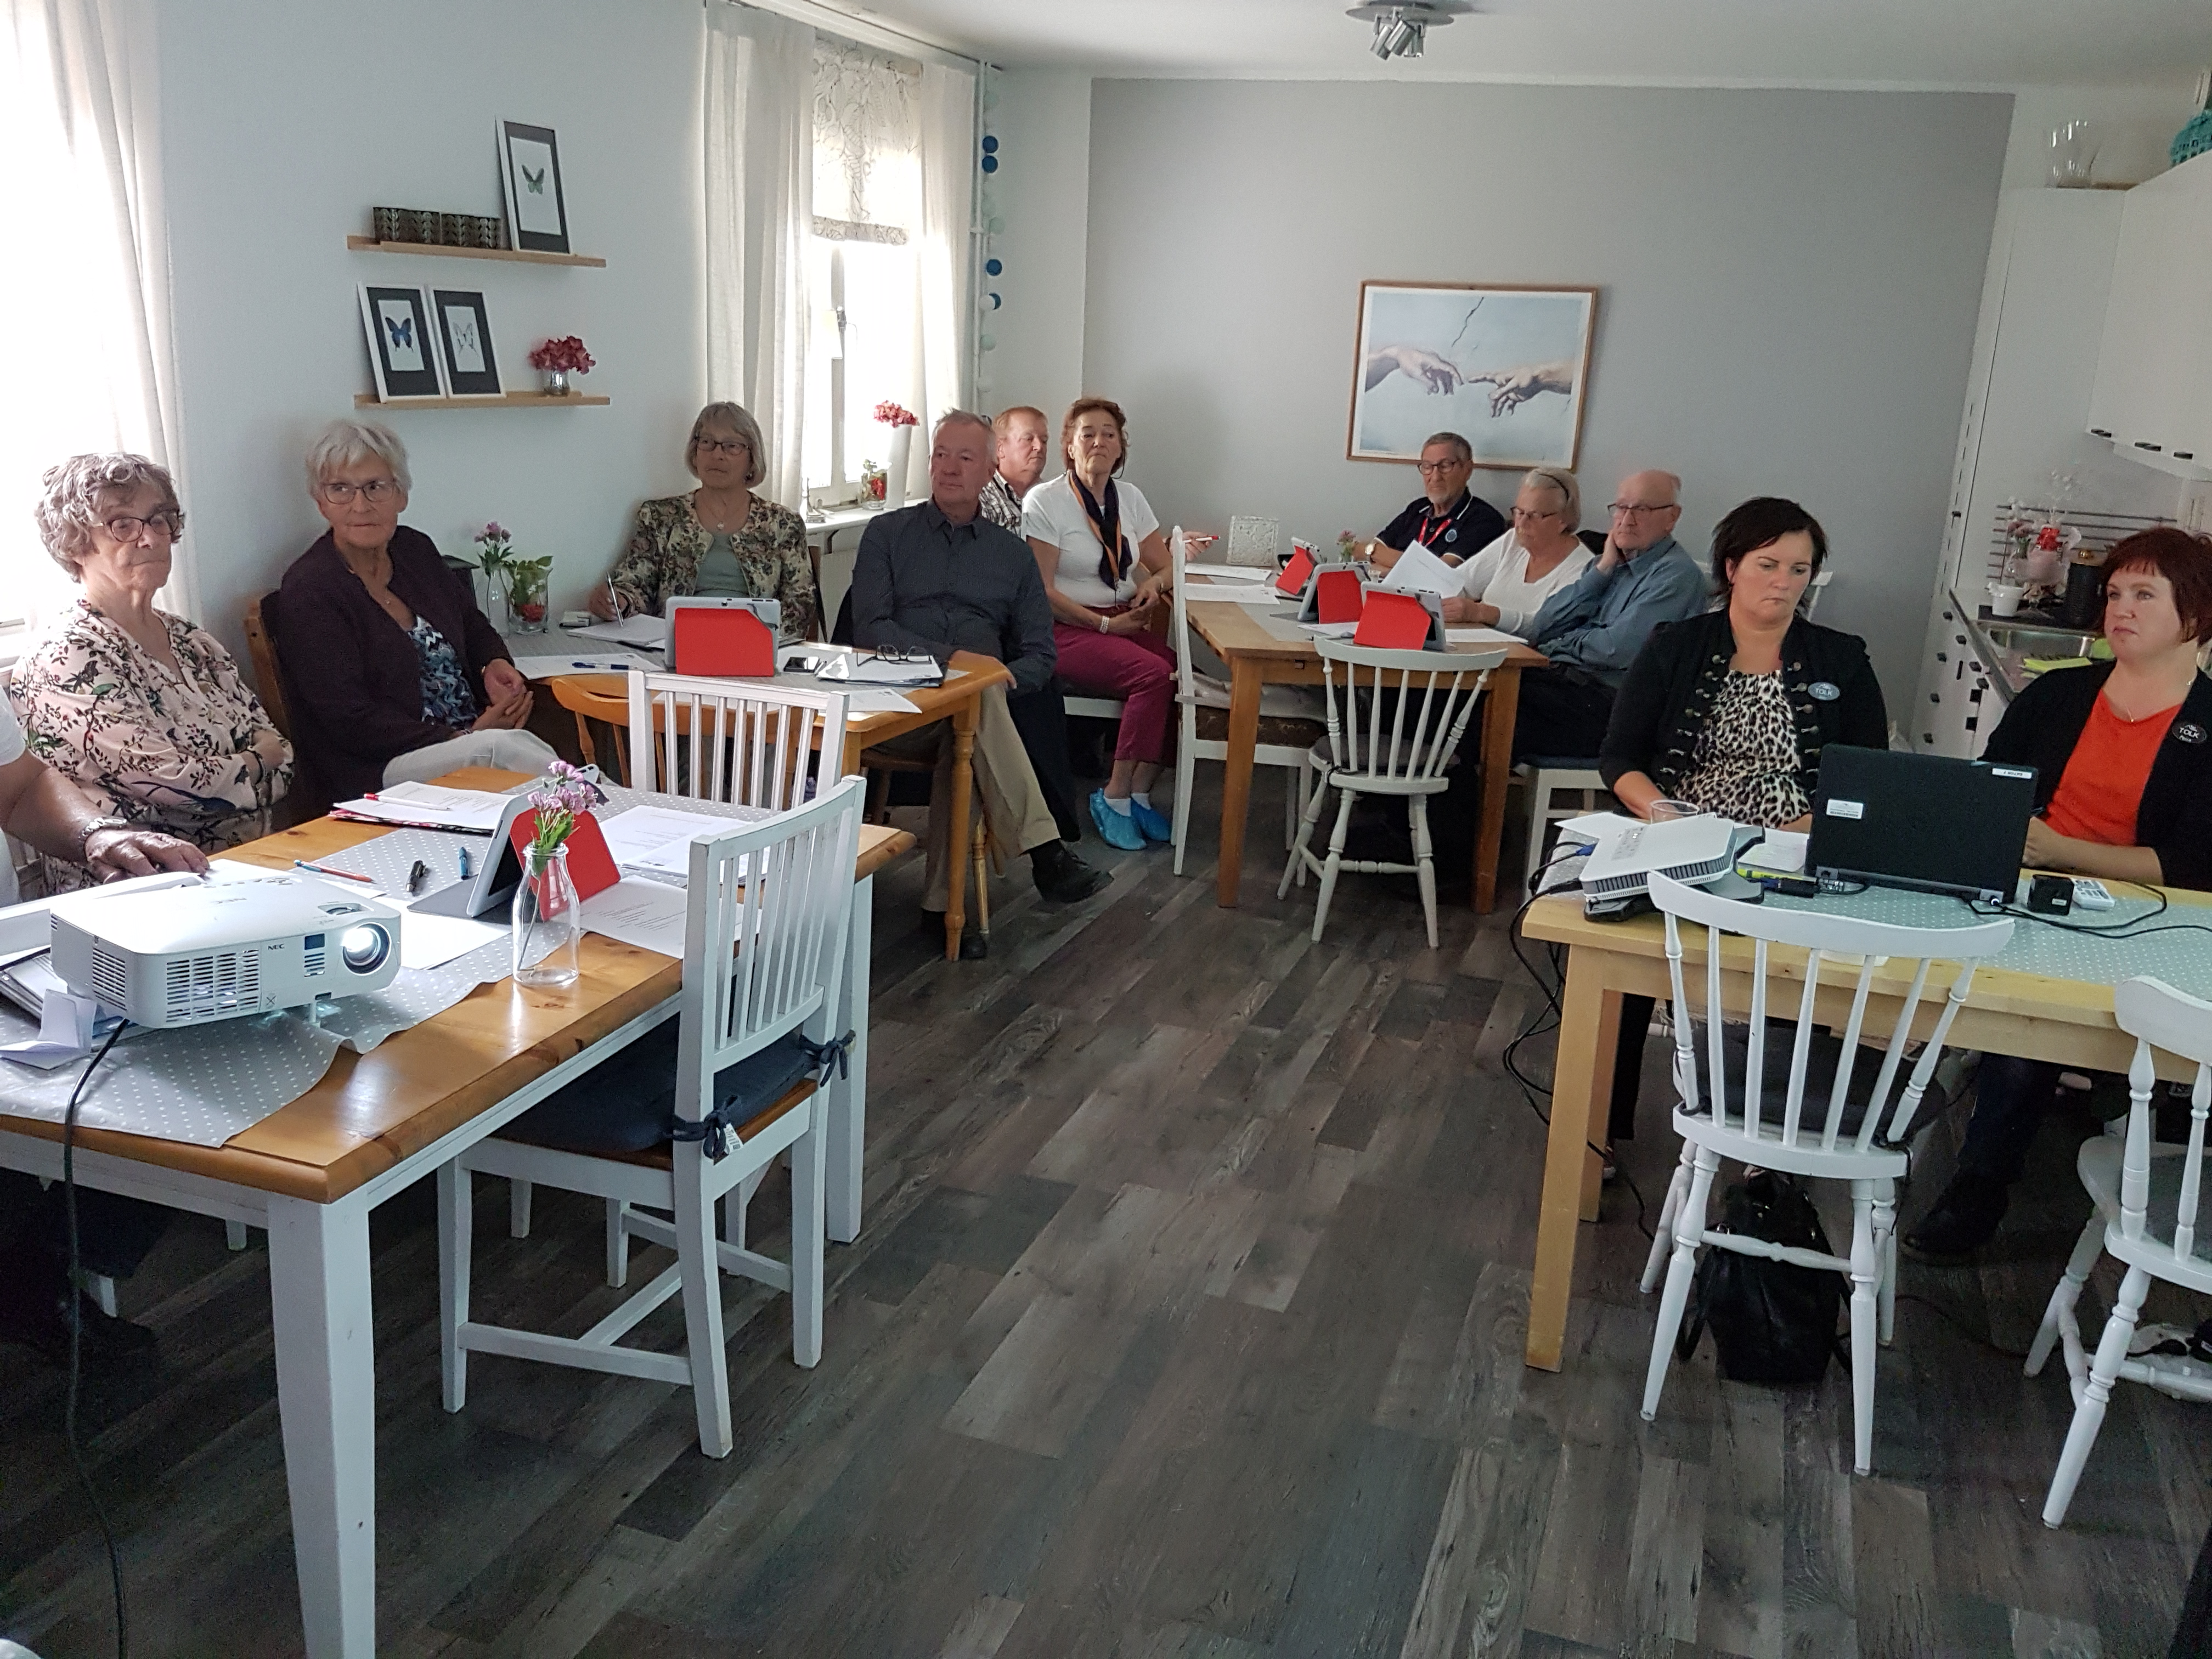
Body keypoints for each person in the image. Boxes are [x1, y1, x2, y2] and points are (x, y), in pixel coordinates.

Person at [1907, 526, 2212, 1261]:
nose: (2120, 608)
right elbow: (1989, 789)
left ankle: (1988, 1179)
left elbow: (2193, 867)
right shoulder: (2059, 694)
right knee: (2015, 1019)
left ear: (2197, 616)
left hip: (2151, 917)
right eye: (2115, 593)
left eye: (2144, 595)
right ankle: (1970, 1175)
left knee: (2038, 1034)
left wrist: (2064, 853)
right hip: (2031, 892)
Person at [1598, 497, 1886, 1152]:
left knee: (1798, 981)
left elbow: (1868, 775)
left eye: (1798, 570)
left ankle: (1773, 1148)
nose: (1783, 582)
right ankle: (1603, 1128)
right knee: (1623, 962)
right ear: (1732, 568)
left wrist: (1813, 827)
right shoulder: (1676, 647)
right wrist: (1664, 815)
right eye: (1767, 565)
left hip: (1791, 848)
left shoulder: (1841, 659)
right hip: (1683, 842)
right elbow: (1618, 757)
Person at [0, 682, 209, 1359]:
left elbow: (18, 787)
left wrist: (100, 834)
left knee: (188, 1062)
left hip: (9, 955)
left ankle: (36, 1270)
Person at [850, 410, 1109, 952]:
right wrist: (959, 663)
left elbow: (1041, 654)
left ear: (990, 470)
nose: (948, 468)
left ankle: (942, 910)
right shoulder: (887, 535)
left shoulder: (1012, 554)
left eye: (964, 458)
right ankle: (1045, 854)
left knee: (968, 728)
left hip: (976, 714)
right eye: (940, 455)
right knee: (975, 695)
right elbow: (871, 627)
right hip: (900, 705)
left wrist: (1000, 681)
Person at [16, 454, 290, 874]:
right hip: (144, 879)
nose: (151, 538)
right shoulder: (66, 655)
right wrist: (255, 763)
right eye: (123, 525)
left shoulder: (192, 640)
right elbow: (171, 783)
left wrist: (244, 773)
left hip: (256, 858)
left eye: (159, 519)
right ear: (75, 544)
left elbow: (283, 755)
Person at [278, 419, 553, 810]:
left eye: (376, 487)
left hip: (474, 736)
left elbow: (471, 624)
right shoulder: (312, 589)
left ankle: (601, 818)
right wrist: (461, 739)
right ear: (320, 501)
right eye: (340, 489)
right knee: (500, 751)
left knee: (528, 737)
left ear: (401, 495)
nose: (360, 505)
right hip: (379, 769)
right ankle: (609, 814)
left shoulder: (415, 550)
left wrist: (493, 663)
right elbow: (348, 719)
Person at [1022, 398, 1178, 849]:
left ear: (1121, 446)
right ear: (1070, 447)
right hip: (1065, 629)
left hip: (1121, 619)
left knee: (1179, 673)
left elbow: (1167, 566)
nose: (1099, 442)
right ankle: (1113, 795)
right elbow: (1042, 592)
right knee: (1152, 675)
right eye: (1087, 433)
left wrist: (1153, 586)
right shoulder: (1046, 501)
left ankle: (1140, 793)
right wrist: (1106, 626)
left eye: (1109, 434)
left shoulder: (1130, 498)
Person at [1513, 469, 1705, 760]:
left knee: (1486, 707)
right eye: (1621, 508)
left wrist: (1562, 645)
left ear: (1672, 517)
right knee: (1470, 695)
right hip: (1566, 686)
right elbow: (1542, 626)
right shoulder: (1607, 565)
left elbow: (1617, 649)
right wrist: (1602, 571)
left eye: (1641, 509)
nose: (1627, 520)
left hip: (1613, 709)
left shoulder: (1676, 576)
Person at [590, 402, 819, 640]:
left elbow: (800, 604)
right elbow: (634, 585)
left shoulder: (782, 524)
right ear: (695, 452)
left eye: (732, 446)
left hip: (754, 646)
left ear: (753, 459)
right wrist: (617, 602)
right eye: (707, 442)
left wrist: (758, 642)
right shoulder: (660, 517)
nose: (717, 455)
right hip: (676, 645)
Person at [1390, 467, 1593, 633]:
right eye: (1519, 512)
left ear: (1563, 520)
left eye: (1535, 515)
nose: (1522, 524)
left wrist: (1481, 613)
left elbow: (1544, 627)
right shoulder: (1513, 541)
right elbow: (1460, 583)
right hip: (1479, 648)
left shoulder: (1583, 569)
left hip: (1529, 664)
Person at [1353, 432, 1508, 568]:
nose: (1435, 477)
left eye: (1445, 466)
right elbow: (1359, 551)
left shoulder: (1484, 518)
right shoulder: (1418, 508)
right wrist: (1374, 552)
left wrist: (1375, 554)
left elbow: (1439, 572)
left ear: (1467, 470)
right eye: (1427, 467)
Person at [980, 405, 1049, 534]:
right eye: (1028, 439)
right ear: (1000, 448)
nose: (1039, 447)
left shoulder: (1052, 497)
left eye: (1044, 440)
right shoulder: (982, 499)